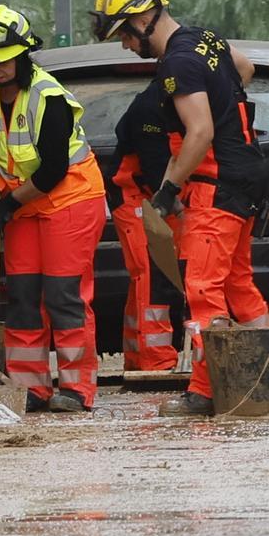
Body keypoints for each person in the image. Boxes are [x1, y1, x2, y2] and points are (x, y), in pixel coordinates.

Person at [91, 0, 269, 417]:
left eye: (125, 36)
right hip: (246, 174)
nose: (127, 47)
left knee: (202, 286)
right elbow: (244, 69)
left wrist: (168, 190)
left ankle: (206, 392)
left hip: (217, 184)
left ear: (143, 19)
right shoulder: (205, 40)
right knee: (238, 284)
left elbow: (200, 131)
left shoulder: (178, 63)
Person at [0, 4, 107, 413]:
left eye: (5, 61)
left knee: (63, 294)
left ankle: (76, 387)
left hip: (69, 198)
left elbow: (51, 170)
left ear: (23, 54)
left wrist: (8, 203)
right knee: (23, 295)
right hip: (24, 204)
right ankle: (29, 387)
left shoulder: (47, 96)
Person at [105, 84, 180, 371]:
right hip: (135, 192)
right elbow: (156, 168)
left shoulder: (176, 102)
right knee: (150, 271)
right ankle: (155, 359)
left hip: (157, 192)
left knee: (147, 276)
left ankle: (139, 356)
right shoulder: (150, 109)